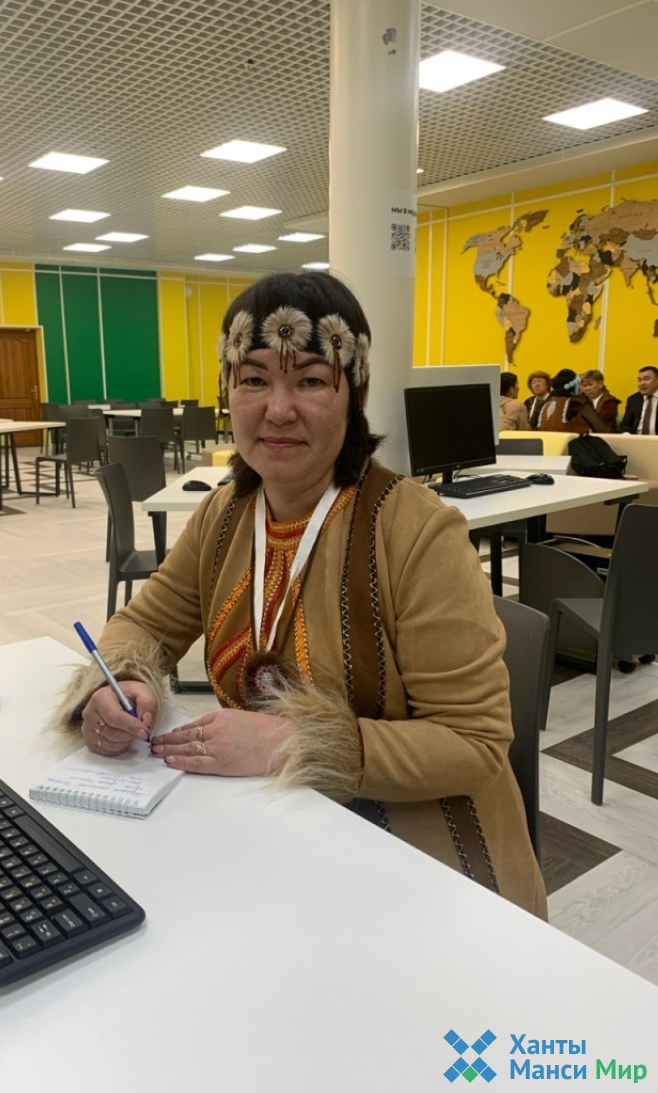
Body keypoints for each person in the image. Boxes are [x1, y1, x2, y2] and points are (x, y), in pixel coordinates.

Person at [52, 271, 546, 917]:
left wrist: (286, 743)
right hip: (278, 829)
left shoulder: (418, 531)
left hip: (425, 862)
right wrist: (120, 682)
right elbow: (144, 624)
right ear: (228, 391)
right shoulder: (225, 513)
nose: (278, 409)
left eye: (311, 380)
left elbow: (473, 744)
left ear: (352, 395)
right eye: (254, 379)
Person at [530, 368, 609, 433]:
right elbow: (602, 429)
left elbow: (532, 428)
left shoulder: (543, 404)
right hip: (569, 446)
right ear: (575, 387)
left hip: (545, 446)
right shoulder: (576, 403)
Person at [620, 366, 658, 434]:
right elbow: (626, 424)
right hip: (636, 439)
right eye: (639, 380)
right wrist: (626, 434)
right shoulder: (633, 400)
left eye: (646, 379)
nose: (642, 383)